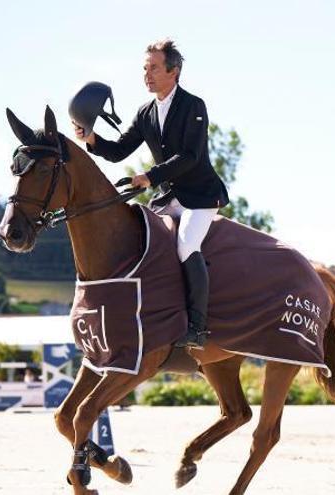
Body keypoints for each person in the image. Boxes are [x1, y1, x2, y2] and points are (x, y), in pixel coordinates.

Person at [73, 38, 229, 350]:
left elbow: (190, 156)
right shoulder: (146, 113)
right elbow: (118, 152)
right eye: (145, 68)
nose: (147, 74)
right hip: (170, 197)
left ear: (174, 70)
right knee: (144, 245)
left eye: (154, 68)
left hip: (200, 197)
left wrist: (149, 176)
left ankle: (197, 328)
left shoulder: (193, 106)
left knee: (185, 246)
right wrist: (91, 138)